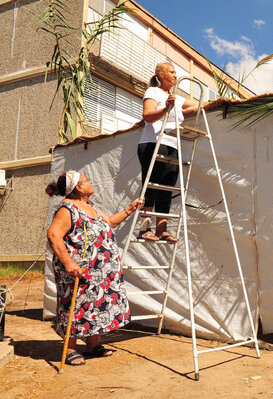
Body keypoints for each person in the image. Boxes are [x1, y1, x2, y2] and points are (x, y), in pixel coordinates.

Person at [46, 171, 144, 366]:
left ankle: (92, 346)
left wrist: (130, 209)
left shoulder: (90, 207)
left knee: (98, 306)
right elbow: (54, 235)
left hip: (101, 271)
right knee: (74, 308)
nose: (91, 182)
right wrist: (69, 263)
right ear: (79, 188)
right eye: (86, 180)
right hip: (79, 271)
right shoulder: (68, 209)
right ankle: (71, 349)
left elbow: (110, 222)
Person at [138, 62, 199, 243]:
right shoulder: (153, 92)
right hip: (153, 142)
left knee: (167, 187)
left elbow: (197, 106)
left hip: (173, 145)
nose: (175, 75)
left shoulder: (176, 98)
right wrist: (166, 109)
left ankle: (161, 230)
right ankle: (144, 229)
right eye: (172, 72)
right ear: (161, 75)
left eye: (175, 72)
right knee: (152, 185)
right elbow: (148, 116)